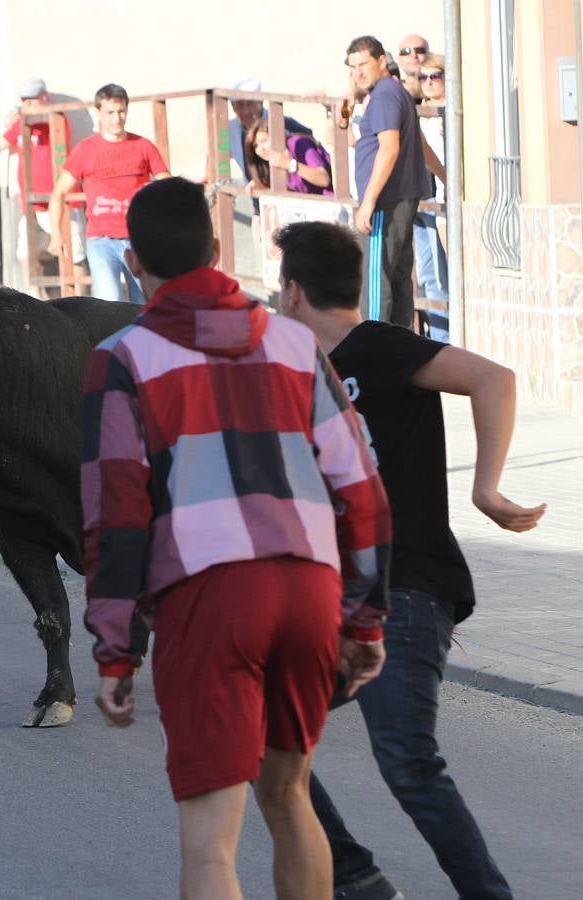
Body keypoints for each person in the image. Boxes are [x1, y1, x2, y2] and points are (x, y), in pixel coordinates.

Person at [80, 178, 392, 898]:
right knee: (289, 794)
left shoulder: (122, 358)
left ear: (131, 260)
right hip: (309, 586)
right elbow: (359, 486)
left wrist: (116, 651)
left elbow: (116, 514)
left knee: (209, 840)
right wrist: (364, 616)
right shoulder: (292, 342)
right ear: (218, 249)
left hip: (210, 593)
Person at [276, 221, 544, 900]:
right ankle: (355, 877)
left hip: (408, 588)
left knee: (406, 760)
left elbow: (493, 378)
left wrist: (486, 487)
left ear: (291, 292)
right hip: (336, 598)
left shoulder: (380, 348)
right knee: (264, 734)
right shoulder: (296, 374)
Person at [48, 84, 168, 304]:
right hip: (101, 240)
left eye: (121, 111)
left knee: (143, 303)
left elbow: (166, 185)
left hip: (139, 239)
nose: (117, 118)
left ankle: (141, 339)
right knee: (108, 303)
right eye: (110, 112)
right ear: (99, 113)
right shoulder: (85, 150)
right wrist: (56, 234)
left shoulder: (143, 146)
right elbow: (58, 193)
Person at [346, 35, 434, 330]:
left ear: (381, 60)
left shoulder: (384, 95)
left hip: (385, 200)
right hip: (398, 198)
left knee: (375, 281)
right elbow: (415, 142)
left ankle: (374, 351)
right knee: (397, 279)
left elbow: (390, 147)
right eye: (352, 67)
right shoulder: (393, 92)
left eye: (363, 64)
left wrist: (368, 201)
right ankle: (399, 351)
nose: (358, 72)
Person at [0, 77, 86, 271]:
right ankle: (31, 298)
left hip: (64, 202)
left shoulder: (56, 117)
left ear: (44, 97)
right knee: (26, 255)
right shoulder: (22, 122)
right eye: (24, 99)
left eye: (33, 98)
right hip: (33, 204)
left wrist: (20, 112)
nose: (28, 103)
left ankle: (80, 298)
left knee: (73, 254)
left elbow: (46, 116)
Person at [417, 52, 451, 341]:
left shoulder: (452, 111)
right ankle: (440, 342)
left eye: (434, 76)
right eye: (422, 77)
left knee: (448, 273)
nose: (428, 82)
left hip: (445, 199)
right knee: (430, 278)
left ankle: (449, 342)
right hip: (424, 199)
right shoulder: (417, 112)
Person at [226, 77, 313, 186]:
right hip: (255, 195)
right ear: (233, 108)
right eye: (240, 105)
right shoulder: (228, 130)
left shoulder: (283, 123)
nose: (246, 110)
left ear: (261, 101)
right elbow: (217, 156)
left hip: (289, 193)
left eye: (250, 103)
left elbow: (310, 144)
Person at [244, 117, 333, 195]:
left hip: (329, 205)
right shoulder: (268, 162)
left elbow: (324, 179)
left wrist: (290, 164)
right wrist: (260, 184)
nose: (261, 149)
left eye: (264, 140)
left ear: (278, 136)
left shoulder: (298, 143)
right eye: (255, 146)